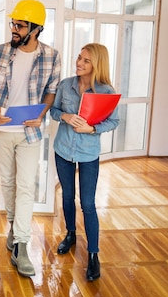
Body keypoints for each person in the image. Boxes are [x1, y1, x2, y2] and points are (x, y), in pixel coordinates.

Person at [0, 0, 61, 277]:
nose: (14, 29)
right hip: (3, 130)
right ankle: (14, 229)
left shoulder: (51, 56)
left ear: (36, 29)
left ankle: (22, 245)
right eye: (13, 24)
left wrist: (42, 113)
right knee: (9, 184)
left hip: (30, 131)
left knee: (27, 185)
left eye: (20, 25)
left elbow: (52, 90)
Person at [49, 43, 120, 282]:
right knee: (67, 196)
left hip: (89, 153)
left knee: (88, 204)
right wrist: (65, 116)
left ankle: (93, 255)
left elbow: (114, 121)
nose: (79, 63)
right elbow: (54, 111)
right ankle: (70, 235)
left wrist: (92, 129)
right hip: (63, 150)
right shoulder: (65, 85)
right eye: (79, 58)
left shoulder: (106, 91)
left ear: (96, 64)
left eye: (86, 60)